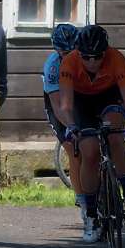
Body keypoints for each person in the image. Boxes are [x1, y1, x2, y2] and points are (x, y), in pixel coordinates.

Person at [56, 24, 125, 243]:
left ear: (106, 51)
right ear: (79, 53)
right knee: (90, 151)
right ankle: (92, 212)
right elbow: (65, 105)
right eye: (86, 57)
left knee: (114, 135)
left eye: (97, 57)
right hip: (81, 102)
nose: (92, 61)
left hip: (108, 97)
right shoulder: (69, 62)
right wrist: (71, 126)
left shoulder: (116, 58)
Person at [42, 24, 83, 222]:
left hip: (81, 98)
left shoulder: (86, 57)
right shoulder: (53, 66)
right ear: (57, 50)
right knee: (74, 150)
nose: (70, 56)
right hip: (58, 104)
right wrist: (71, 126)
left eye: (73, 51)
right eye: (65, 53)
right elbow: (58, 107)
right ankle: (81, 196)